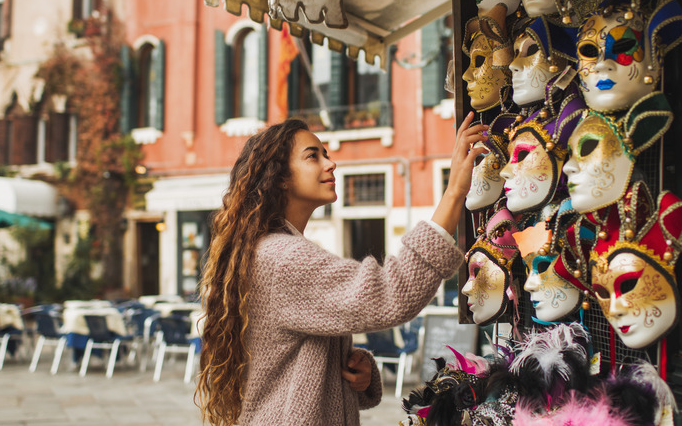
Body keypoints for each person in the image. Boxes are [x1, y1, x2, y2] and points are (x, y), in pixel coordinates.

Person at [196, 112, 488, 426]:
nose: (330, 163)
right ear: (280, 177)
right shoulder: (282, 258)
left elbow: (291, 362)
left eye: (327, 154)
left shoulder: (271, 250)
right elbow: (391, 293)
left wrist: (356, 369)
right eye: (313, 156)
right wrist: (455, 191)